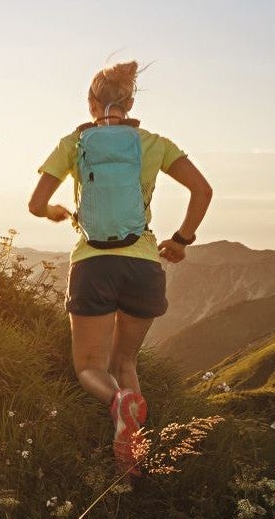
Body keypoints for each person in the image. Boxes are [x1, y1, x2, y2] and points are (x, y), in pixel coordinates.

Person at [28, 60, 212, 471]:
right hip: (143, 265)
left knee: (90, 367)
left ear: (91, 103)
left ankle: (118, 402)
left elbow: (35, 204)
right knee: (124, 361)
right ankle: (135, 460)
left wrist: (55, 212)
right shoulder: (154, 143)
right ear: (130, 102)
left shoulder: (73, 144)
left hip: (94, 264)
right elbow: (202, 190)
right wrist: (181, 240)